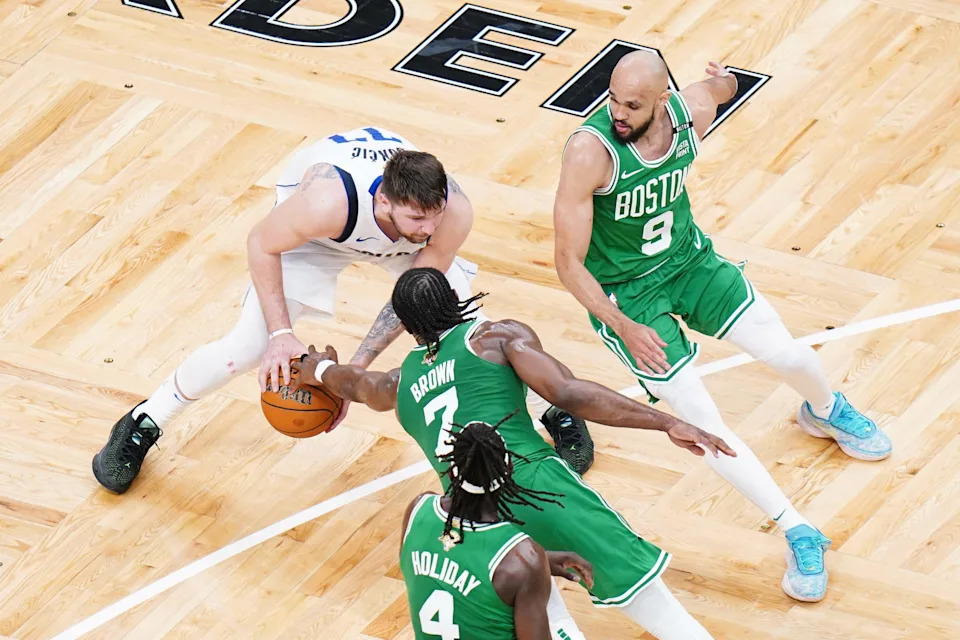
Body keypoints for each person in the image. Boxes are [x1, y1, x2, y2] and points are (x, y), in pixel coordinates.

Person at [551, 51, 893, 602]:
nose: (617, 111)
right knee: (701, 420)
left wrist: (722, 79)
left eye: (632, 103)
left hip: (692, 264)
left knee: (792, 358)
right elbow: (568, 262)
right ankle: (798, 529)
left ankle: (824, 411)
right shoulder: (590, 151)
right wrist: (622, 324)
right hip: (629, 297)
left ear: (664, 99)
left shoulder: (688, 112)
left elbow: (720, 89)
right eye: (611, 98)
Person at [92, 126, 591, 495]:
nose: (429, 227)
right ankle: (143, 421)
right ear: (388, 201)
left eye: (434, 216)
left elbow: (422, 285)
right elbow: (261, 244)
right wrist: (282, 333)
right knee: (245, 348)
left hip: (391, 245)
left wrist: (353, 371)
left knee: (469, 334)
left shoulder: (448, 215)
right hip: (318, 239)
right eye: (419, 218)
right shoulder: (326, 202)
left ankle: (554, 409)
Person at [298, 267, 735, 639]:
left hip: (472, 516)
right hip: (543, 491)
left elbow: (353, 384)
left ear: (407, 328)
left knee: (540, 617)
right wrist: (665, 421)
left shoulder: (397, 382)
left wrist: (314, 368)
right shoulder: (494, 337)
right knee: (658, 611)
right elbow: (569, 393)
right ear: (455, 298)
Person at [400, 416, 595, 639]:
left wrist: (541, 562)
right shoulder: (522, 559)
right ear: (509, 469)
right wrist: (535, 565)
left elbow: (449, 563)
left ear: (452, 471)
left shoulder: (417, 510)